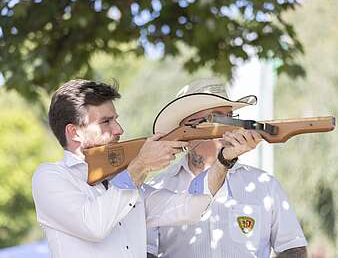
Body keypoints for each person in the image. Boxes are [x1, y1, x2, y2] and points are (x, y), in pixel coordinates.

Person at [32, 79, 261, 258]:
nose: (119, 129)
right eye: (106, 122)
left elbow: (190, 207)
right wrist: (140, 166)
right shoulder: (50, 177)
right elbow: (93, 226)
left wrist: (224, 160)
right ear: (74, 132)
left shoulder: (126, 182)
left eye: (116, 120)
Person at [147, 79, 308, 258]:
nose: (231, 125)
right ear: (188, 126)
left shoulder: (265, 185)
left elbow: (293, 249)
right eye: (219, 117)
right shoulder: (157, 187)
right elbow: (146, 252)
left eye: (231, 117)